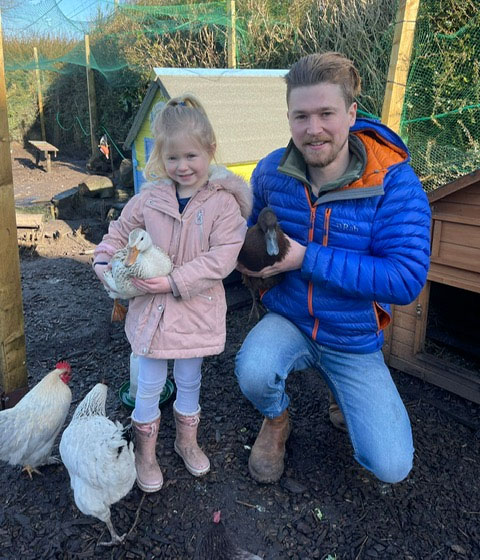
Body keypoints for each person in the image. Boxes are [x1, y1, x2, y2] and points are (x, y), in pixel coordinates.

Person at [235, 52, 431, 486]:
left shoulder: (393, 184)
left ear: (352, 113)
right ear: (288, 117)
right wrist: (241, 257)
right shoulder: (270, 173)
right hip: (289, 317)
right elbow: (246, 232)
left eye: (326, 113)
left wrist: (306, 259)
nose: (313, 129)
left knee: (392, 465)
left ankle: (342, 393)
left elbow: (405, 277)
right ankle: (277, 420)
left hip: (353, 337)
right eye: (300, 115)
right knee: (253, 369)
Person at [93, 94, 251, 493]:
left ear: (209, 151)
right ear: (160, 158)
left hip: (194, 311)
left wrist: (173, 281)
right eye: (172, 158)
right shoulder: (150, 199)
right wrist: (102, 261)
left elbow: (222, 257)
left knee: (189, 378)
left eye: (191, 157)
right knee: (146, 383)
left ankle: (186, 440)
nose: (182, 167)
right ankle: (145, 454)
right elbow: (118, 233)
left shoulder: (222, 205)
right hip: (151, 314)